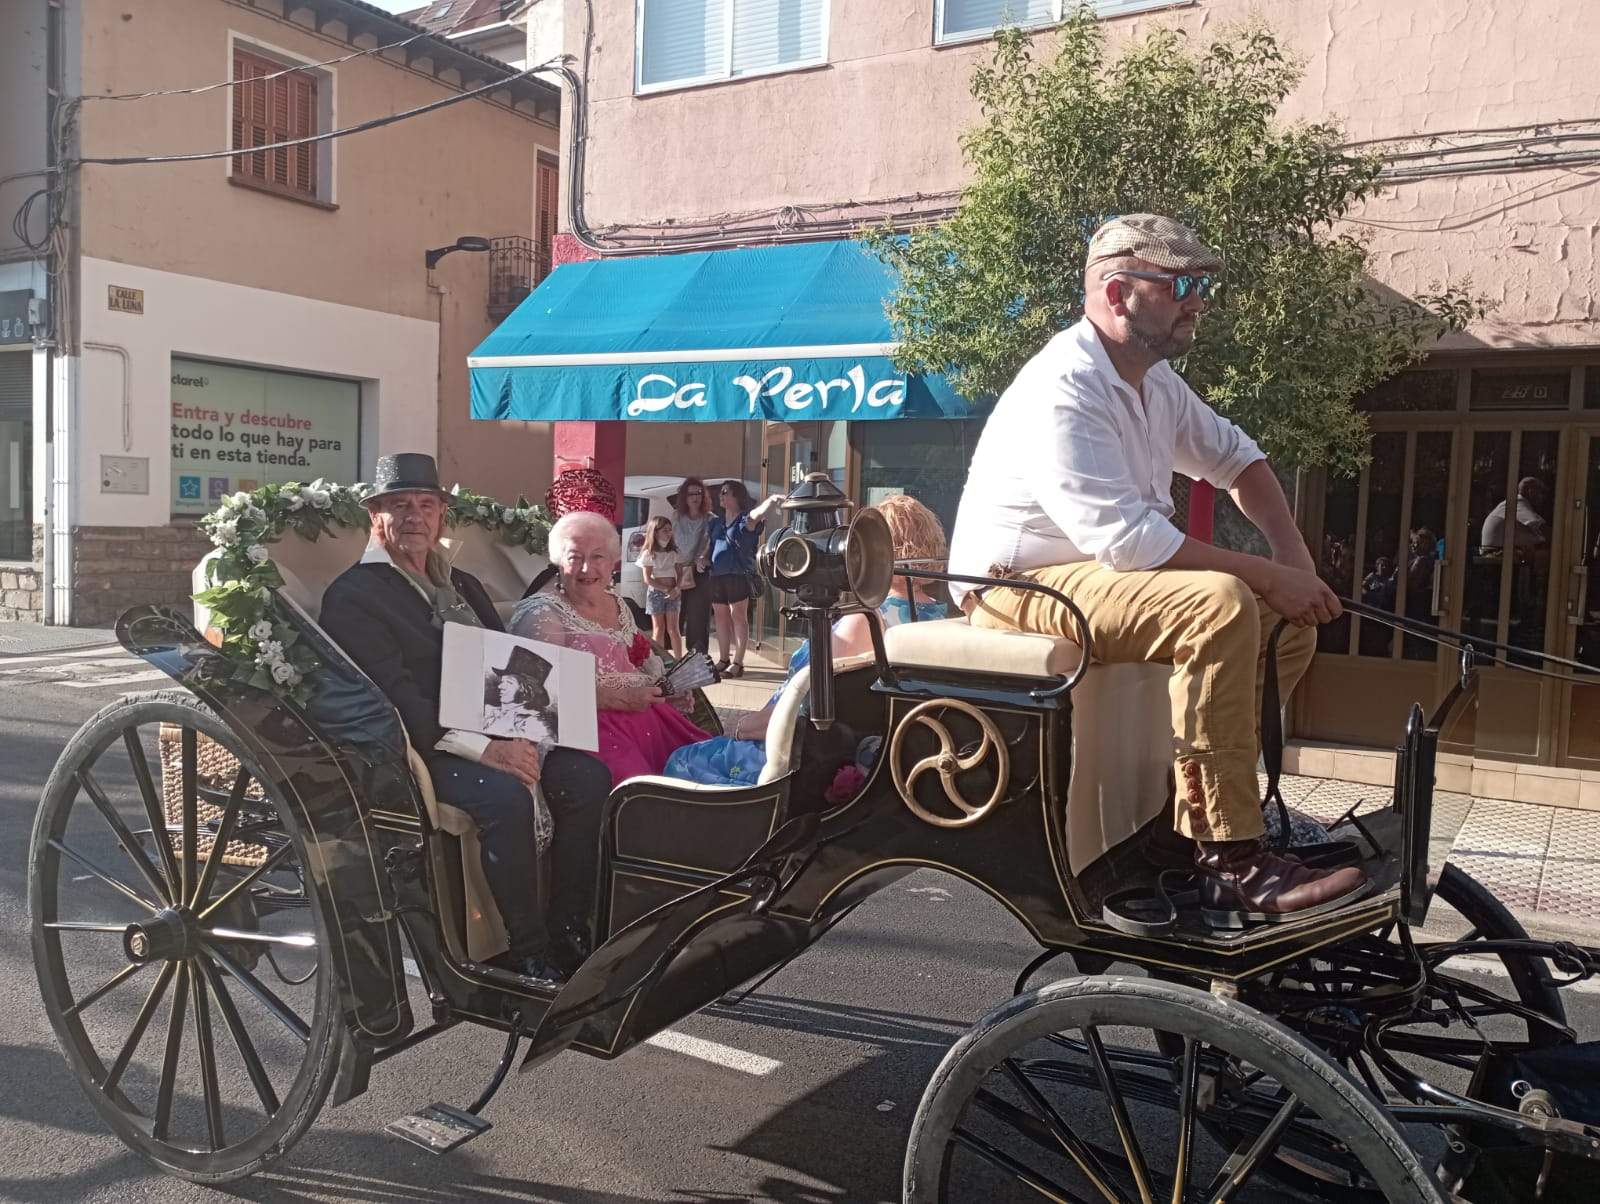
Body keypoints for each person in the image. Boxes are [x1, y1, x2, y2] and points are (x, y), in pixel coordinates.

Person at [945, 213, 1367, 923]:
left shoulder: (1155, 381)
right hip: (1016, 584)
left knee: (1286, 626)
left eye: (1198, 283)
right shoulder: (1065, 383)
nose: (1197, 299)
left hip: (1100, 576)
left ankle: (1185, 817)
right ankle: (1229, 854)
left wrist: (1293, 564)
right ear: (1117, 293)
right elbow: (1130, 542)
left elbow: (1241, 461)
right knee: (1221, 603)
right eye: (1181, 284)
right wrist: (1267, 575)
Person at [319, 453, 601, 985]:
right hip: (423, 747)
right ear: (374, 515)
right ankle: (528, 952)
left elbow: (507, 664)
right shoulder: (354, 595)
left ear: (440, 515)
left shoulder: (462, 584)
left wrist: (534, 729)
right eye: (398, 505)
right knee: (504, 796)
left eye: (426, 505)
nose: (414, 516)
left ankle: (570, 929)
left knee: (586, 776)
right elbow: (394, 697)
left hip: (493, 725)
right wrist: (490, 749)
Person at [510, 509, 710, 783]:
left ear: (613, 562)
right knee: (645, 789)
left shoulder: (616, 603)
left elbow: (633, 664)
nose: (586, 568)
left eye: (597, 557)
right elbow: (530, 692)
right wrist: (613, 696)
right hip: (588, 731)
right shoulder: (542, 613)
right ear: (558, 561)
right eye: (575, 557)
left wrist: (660, 692)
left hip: (645, 719)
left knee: (705, 766)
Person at [706, 480, 785, 677]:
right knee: (720, 618)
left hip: (737, 575)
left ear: (737, 497)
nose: (721, 496)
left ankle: (738, 663)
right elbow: (710, 547)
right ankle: (724, 659)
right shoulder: (716, 523)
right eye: (721, 493)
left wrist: (772, 500)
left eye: (726, 492)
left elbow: (757, 514)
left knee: (738, 617)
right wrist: (702, 559)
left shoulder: (744, 521)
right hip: (716, 576)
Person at [672, 476, 714, 655]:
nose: (695, 497)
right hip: (677, 570)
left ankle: (697, 656)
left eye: (699, 493)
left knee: (698, 616)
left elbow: (712, 543)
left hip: (699, 572)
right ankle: (672, 656)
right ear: (684, 497)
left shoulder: (710, 519)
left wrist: (703, 557)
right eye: (691, 494)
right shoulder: (677, 516)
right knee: (674, 616)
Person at [482, 645, 555, 743]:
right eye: (502, 681)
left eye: (509, 682)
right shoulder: (489, 711)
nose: (500, 686)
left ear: (526, 690)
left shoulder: (535, 725)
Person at [636, 515, 683, 658]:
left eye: (670, 530)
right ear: (655, 532)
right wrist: (666, 589)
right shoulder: (649, 553)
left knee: (673, 628)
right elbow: (647, 579)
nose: (669, 533)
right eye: (665, 530)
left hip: (673, 593)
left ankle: (679, 659)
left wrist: (677, 588)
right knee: (658, 628)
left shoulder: (674, 552)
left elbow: (680, 573)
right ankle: (660, 660)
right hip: (656, 593)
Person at [1480, 477, 1550, 555]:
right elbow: (1540, 526)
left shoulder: (1515, 503)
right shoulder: (1518, 503)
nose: (1542, 497)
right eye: (1540, 491)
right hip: (1498, 554)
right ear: (1529, 490)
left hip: (1500, 552)